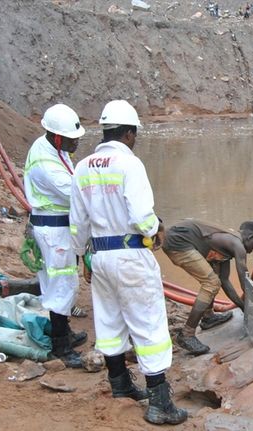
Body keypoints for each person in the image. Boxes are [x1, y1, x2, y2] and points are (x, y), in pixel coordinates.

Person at [70, 100, 186, 425]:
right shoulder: (129, 164)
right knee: (149, 324)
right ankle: (159, 402)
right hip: (130, 254)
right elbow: (141, 216)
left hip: (100, 256)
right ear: (129, 133)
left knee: (109, 322)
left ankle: (120, 385)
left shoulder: (83, 167)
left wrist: (84, 259)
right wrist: (156, 229)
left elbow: (77, 224)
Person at [24, 103, 87, 368]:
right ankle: (61, 344)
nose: (77, 144)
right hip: (54, 229)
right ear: (58, 137)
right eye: (73, 140)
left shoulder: (51, 147)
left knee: (58, 282)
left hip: (56, 227)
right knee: (62, 284)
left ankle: (63, 332)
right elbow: (78, 194)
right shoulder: (47, 164)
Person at [163, 219, 253, 355]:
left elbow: (225, 281)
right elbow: (245, 283)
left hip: (177, 237)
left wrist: (243, 307)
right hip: (177, 241)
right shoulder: (237, 244)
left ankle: (208, 317)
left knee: (215, 279)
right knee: (211, 282)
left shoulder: (228, 245)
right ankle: (187, 334)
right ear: (250, 237)